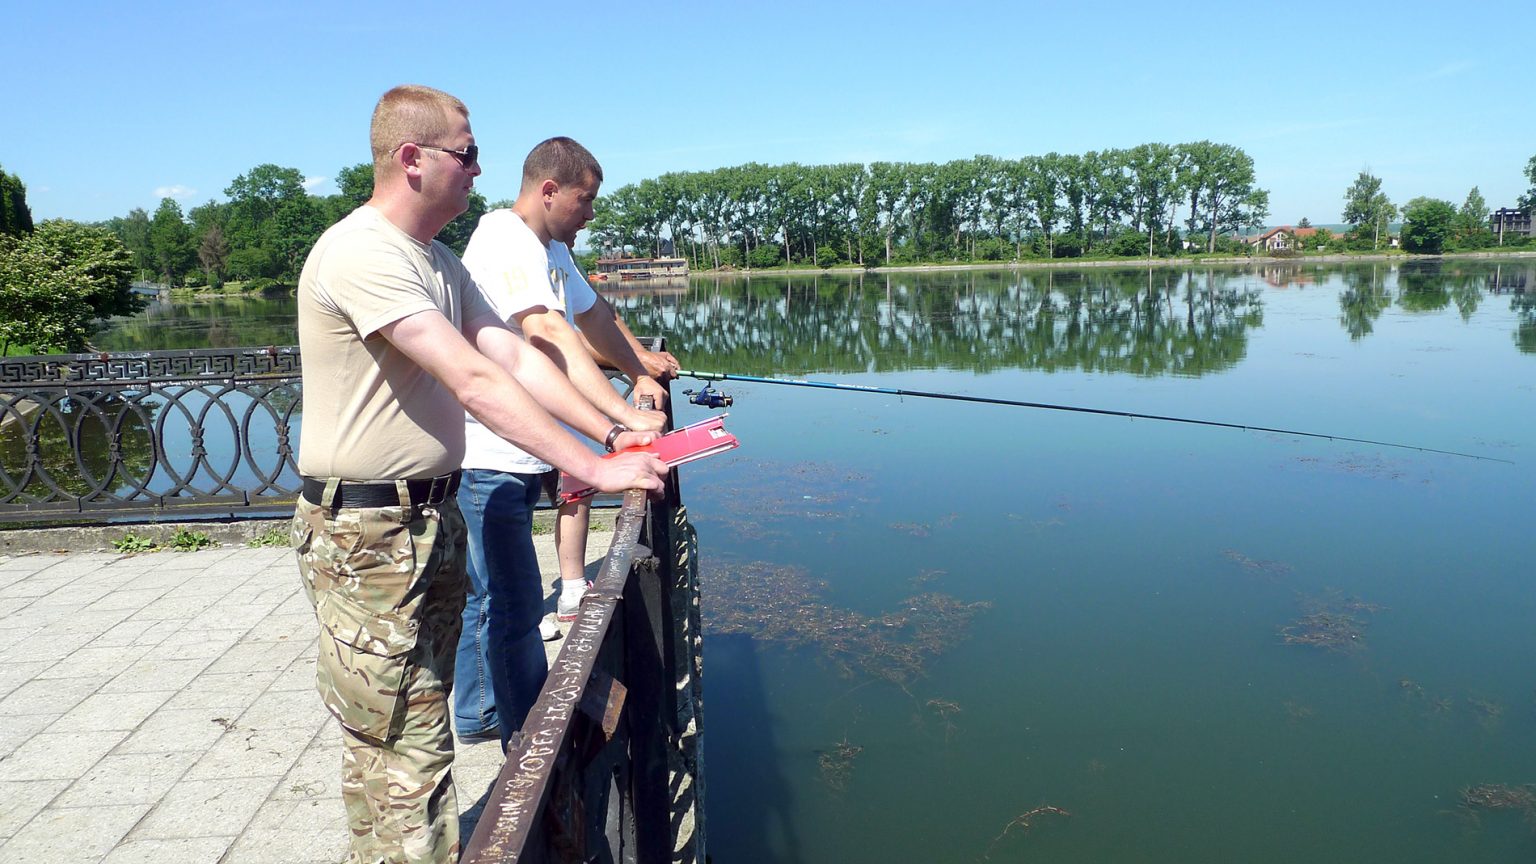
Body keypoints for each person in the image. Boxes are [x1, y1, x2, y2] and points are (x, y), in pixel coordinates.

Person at [291, 85, 666, 864]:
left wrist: (612, 431)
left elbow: (514, 357)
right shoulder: (363, 252)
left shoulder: (435, 260)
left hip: (427, 516)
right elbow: (473, 378)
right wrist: (595, 464)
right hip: (367, 532)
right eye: (466, 154)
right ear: (412, 158)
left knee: (407, 738)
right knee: (405, 749)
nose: (478, 169)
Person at [452, 136, 675, 748]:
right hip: (488, 452)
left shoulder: (550, 248)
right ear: (549, 191)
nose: (592, 214)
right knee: (512, 604)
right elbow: (549, 333)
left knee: (493, 594)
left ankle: (479, 710)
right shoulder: (503, 237)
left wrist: (640, 368)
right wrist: (620, 422)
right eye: (586, 199)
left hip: (525, 447)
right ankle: (525, 740)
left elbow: (594, 316)